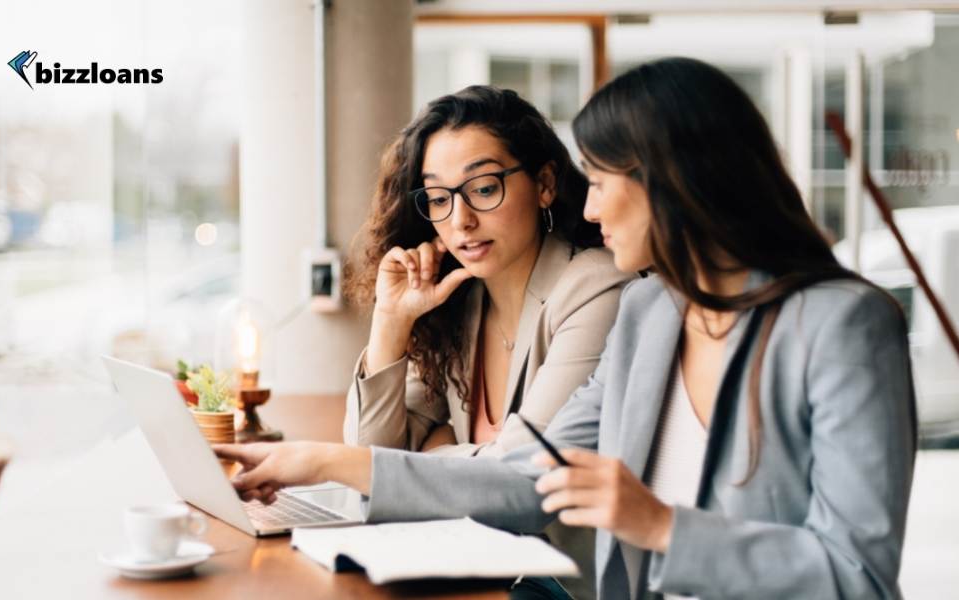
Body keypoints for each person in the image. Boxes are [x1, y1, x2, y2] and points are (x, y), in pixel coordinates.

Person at [216, 58, 917, 599]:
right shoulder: (652, 314)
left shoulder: (842, 324)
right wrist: (322, 460)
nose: (593, 210)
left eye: (604, 180)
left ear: (675, 182)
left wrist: (661, 526)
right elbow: (527, 480)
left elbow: (858, 574)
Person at [342, 85, 629, 460]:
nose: (461, 220)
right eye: (440, 198)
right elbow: (370, 456)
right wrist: (391, 321)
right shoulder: (458, 302)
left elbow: (524, 465)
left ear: (544, 184)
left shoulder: (594, 286)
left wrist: (437, 449)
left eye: (484, 188)